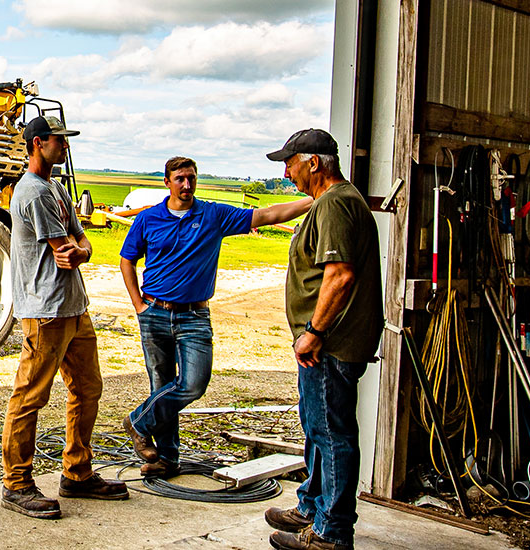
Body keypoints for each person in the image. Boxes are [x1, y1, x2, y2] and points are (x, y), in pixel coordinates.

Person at [119, 157, 312, 477]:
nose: (186, 184)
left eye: (191, 178)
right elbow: (127, 260)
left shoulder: (213, 215)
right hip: (154, 313)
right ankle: (166, 458)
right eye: (179, 178)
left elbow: (267, 214)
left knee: (193, 384)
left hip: (194, 315)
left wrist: (313, 198)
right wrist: (139, 305)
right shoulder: (148, 218)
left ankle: (138, 421)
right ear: (167, 182)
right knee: (162, 386)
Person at [0, 115, 129, 520]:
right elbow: (63, 247)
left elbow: (81, 244)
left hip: (74, 307)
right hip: (47, 312)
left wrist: (82, 249)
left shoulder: (55, 188)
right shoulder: (33, 193)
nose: (65, 146)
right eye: (60, 141)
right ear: (38, 143)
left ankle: (77, 473)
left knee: (87, 388)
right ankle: (16, 484)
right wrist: (75, 249)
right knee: (30, 396)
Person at [259, 129, 382, 550]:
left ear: (313, 162)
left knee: (332, 434)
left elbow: (340, 274)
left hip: (332, 343)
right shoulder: (331, 202)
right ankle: (312, 505)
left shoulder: (336, 204)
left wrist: (314, 332)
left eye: (289, 163)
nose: (287, 172)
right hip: (326, 343)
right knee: (317, 427)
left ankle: (331, 532)